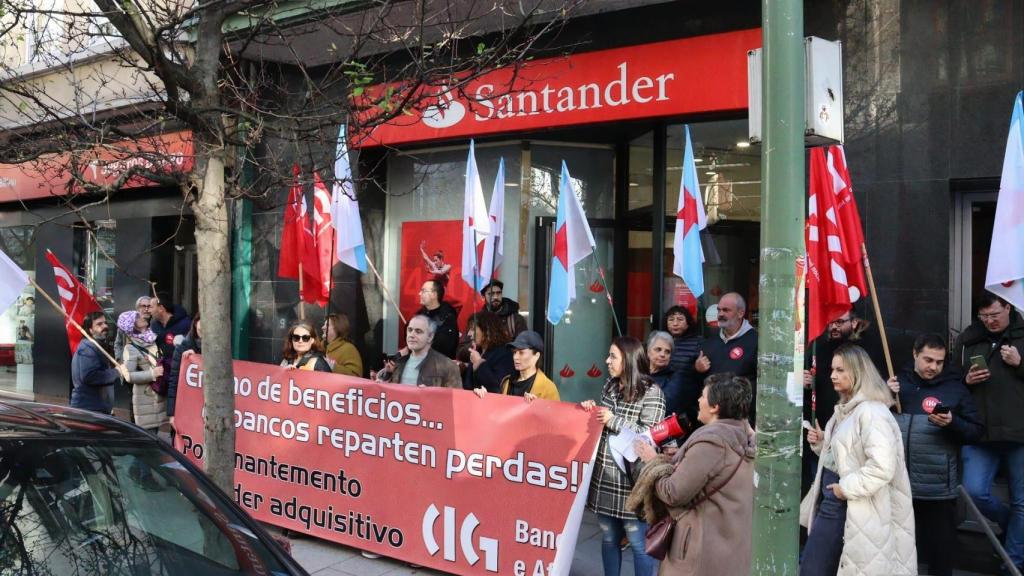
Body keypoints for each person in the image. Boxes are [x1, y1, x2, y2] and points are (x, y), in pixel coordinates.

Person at [800, 344, 916, 575]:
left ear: (858, 372)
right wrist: (823, 443)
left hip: (851, 503)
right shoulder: (847, 409)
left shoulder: (872, 412)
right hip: (838, 501)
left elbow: (882, 467)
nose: (833, 375)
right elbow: (850, 456)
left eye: (841, 370)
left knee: (815, 568)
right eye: (833, 369)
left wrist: (844, 489)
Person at [630, 373, 755, 576]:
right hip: (729, 548)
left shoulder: (712, 443)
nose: (698, 400)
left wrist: (653, 461)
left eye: (703, 396)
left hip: (699, 552)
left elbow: (673, 492)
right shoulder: (744, 435)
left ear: (715, 407)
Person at [887, 333, 983, 576]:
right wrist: (884, 396)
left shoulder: (955, 388)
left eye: (939, 362)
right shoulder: (898, 385)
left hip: (937, 487)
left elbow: (975, 432)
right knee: (898, 551)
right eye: (928, 360)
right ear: (915, 354)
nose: (933, 367)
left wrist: (952, 423)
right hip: (900, 484)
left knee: (941, 554)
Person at [582, 336, 666, 576]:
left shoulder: (652, 392)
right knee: (609, 538)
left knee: (638, 543)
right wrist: (592, 410)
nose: (607, 361)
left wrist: (614, 420)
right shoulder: (610, 385)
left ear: (628, 360)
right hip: (605, 476)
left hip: (633, 481)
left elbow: (651, 436)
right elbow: (602, 420)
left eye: (613, 356)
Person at [954, 292, 1024, 572]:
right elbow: (949, 380)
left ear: (1008, 306)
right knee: (974, 492)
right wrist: (966, 379)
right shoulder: (968, 339)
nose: (990, 321)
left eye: (995, 315)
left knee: (1023, 503)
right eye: (984, 317)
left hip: (1020, 433)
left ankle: (1012, 565)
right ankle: (1016, 532)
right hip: (980, 433)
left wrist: (1020, 364)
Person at [802, 307, 887, 496]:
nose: (834, 327)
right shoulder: (818, 348)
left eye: (839, 322)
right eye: (830, 322)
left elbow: (880, 467)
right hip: (825, 429)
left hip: (855, 436)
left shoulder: (864, 351)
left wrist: (846, 490)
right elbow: (810, 388)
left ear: (854, 322)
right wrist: (806, 384)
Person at [695, 292, 758, 422]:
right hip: (712, 416)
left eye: (726, 310)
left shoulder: (756, 341)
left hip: (740, 418)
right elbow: (697, 380)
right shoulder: (710, 341)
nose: (720, 314)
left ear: (740, 313)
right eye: (719, 310)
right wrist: (697, 368)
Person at [117, 310, 168, 433]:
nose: (142, 317)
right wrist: (152, 374)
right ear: (132, 325)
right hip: (146, 400)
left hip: (159, 395)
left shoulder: (152, 338)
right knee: (150, 435)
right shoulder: (130, 348)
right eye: (137, 317)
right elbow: (128, 375)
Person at [475, 330, 559, 401]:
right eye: (514, 352)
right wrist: (485, 397)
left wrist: (536, 407)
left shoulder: (548, 388)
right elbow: (501, 412)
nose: (515, 357)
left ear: (536, 356)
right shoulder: (507, 382)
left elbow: (553, 418)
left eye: (521, 353)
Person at [380, 315, 460, 388]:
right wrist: (386, 375)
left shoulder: (448, 367)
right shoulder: (399, 363)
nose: (411, 335)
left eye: (418, 331)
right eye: (409, 330)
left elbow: (457, 399)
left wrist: (433, 395)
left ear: (430, 337)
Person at [71, 311, 128, 415]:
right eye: (99, 324)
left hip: (96, 408)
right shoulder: (87, 348)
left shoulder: (95, 346)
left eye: (105, 323)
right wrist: (116, 372)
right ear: (90, 330)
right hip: (89, 410)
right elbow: (90, 376)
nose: (105, 326)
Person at [646, 330, 698, 424]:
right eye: (658, 349)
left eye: (667, 352)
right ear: (648, 352)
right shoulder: (639, 373)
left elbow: (664, 407)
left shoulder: (676, 377)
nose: (663, 355)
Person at [463, 311, 515, 393]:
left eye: (473, 329)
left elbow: (497, 388)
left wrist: (479, 363)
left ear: (486, 330)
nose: (469, 333)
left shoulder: (505, 354)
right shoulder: (478, 351)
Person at [167, 314, 201, 429]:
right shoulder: (182, 348)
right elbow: (174, 382)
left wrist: (198, 357)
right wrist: (172, 414)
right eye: (202, 323)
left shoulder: (219, 349)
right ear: (196, 323)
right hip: (185, 407)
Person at [416, 280, 459, 359]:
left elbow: (443, 347)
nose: (420, 293)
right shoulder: (419, 315)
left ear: (434, 294)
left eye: (423, 291)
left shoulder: (447, 317)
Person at [664, 305, 701, 381]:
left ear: (688, 324)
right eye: (671, 319)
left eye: (680, 319)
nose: (675, 324)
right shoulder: (662, 341)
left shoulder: (698, 343)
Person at [150, 292, 191, 358]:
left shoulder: (186, 324)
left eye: (151, 307)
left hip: (178, 366)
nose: (149, 310)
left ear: (161, 308)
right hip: (159, 366)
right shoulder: (153, 325)